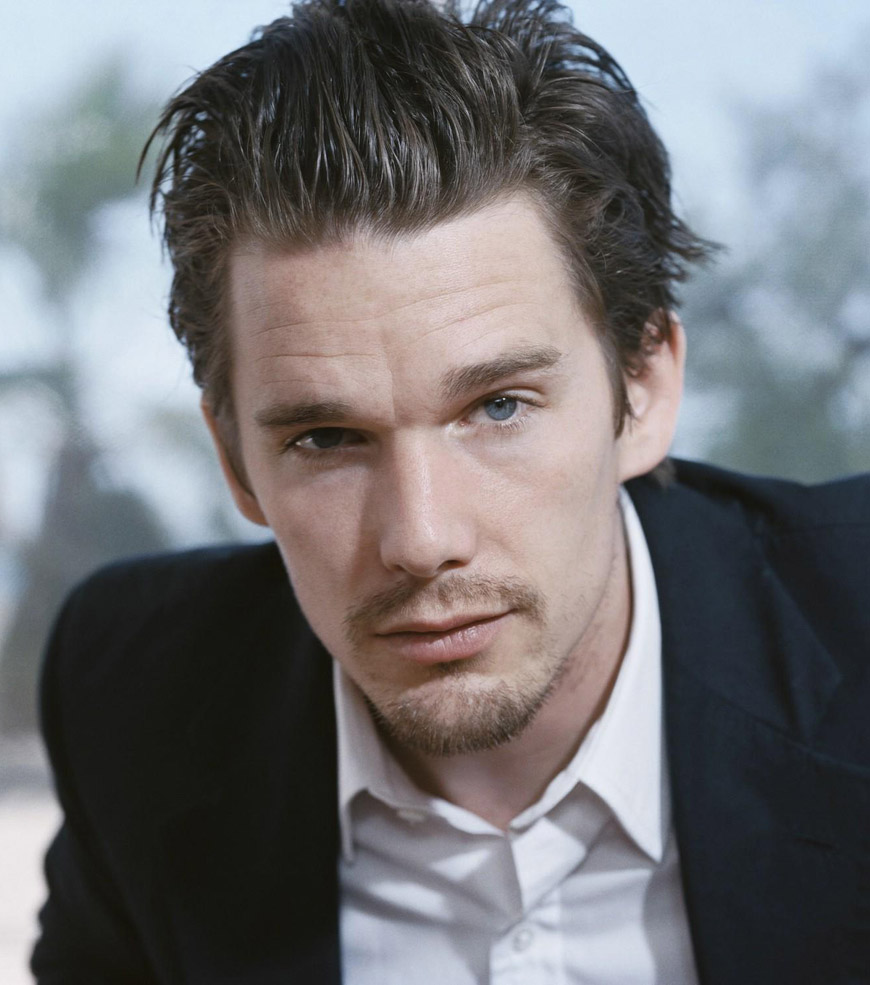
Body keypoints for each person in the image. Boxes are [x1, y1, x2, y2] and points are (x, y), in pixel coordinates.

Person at [32, 0, 870, 982]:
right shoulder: (136, 694)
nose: (421, 538)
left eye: (498, 407)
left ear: (642, 389)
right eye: (326, 437)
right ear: (234, 459)